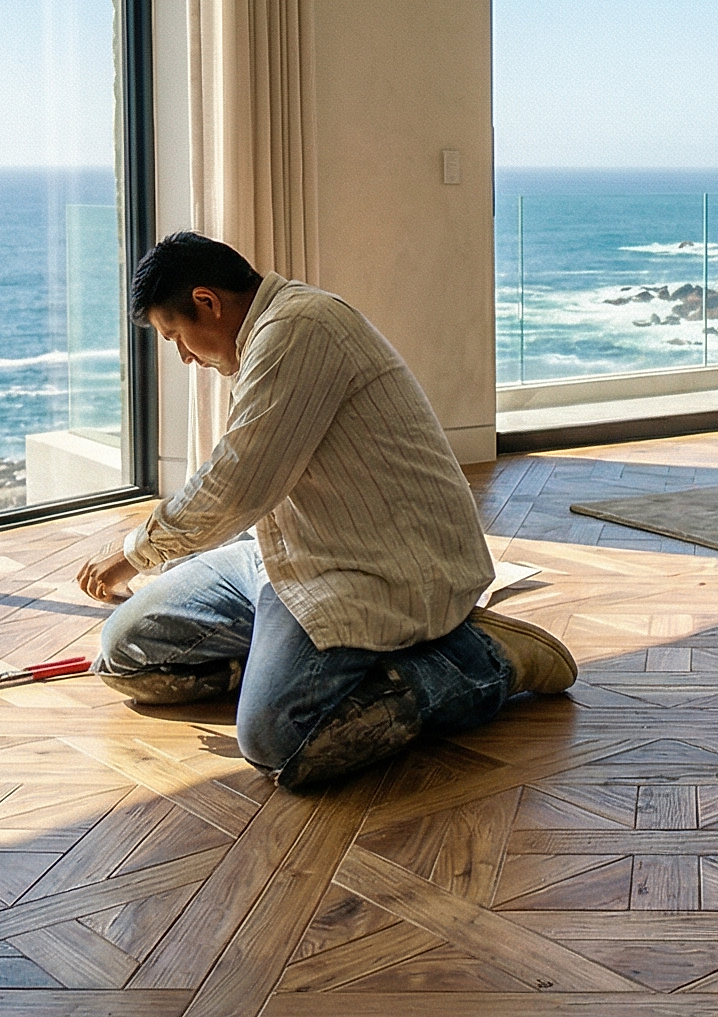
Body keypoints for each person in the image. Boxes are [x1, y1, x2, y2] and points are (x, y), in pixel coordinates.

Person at [77, 232, 575, 789]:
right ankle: (320, 668)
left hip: (371, 569)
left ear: (207, 302)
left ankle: (487, 659)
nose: (185, 357)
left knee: (275, 738)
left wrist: (132, 555)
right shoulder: (266, 337)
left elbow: (235, 486)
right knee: (126, 652)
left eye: (177, 336)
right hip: (283, 555)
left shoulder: (298, 330)